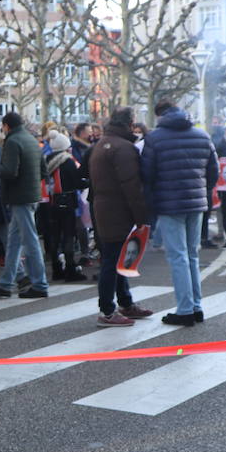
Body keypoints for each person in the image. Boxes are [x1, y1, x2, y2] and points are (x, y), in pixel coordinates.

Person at [141, 98, 217, 325]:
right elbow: (214, 170)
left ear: (160, 116)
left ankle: (184, 309)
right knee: (192, 255)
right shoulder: (202, 135)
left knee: (178, 257)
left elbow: (148, 174)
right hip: (196, 202)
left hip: (169, 203)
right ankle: (196, 306)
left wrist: (151, 201)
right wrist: (202, 189)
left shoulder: (154, 138)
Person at [87, 106, 155, 327]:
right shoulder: (123, 148)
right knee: (112, 260)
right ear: (129, 123)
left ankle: (124, 303)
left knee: (118, 259)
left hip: (105, 207)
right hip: (118, 209)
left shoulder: (104, 143)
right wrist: (141, 217)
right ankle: (107, 310)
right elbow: (131, 187)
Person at [0, 111, 49, 299]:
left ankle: (40, 283)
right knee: (14, 241)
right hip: (31, 195)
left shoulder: (12, 142)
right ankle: (6, 283)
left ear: (6, 126)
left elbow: (9, 172)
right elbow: (43, 169)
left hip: (19, 197)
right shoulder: (31, 139)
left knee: (30, 241)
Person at [41, 131, 88, 281]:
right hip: (67, 201)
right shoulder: (67, 161)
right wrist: (89, 183)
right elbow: (76, 182)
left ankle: (56, 268)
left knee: (55, 236)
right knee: (68, 235)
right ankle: (70, 267)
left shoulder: (46, 159)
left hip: (51, 202)